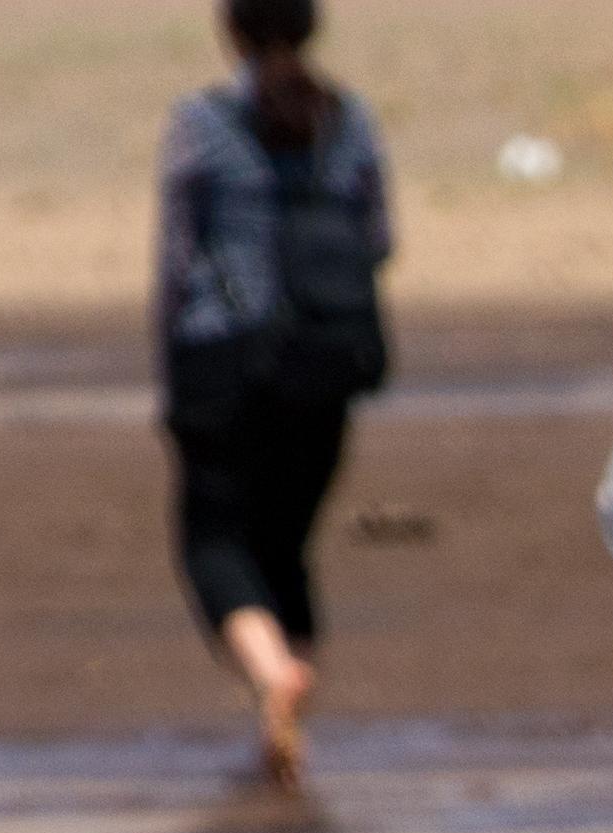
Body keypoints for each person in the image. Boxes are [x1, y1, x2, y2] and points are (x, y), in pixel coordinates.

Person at [157, 0, 392, 786]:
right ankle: (279, 728)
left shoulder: (204, 121)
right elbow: (379, 238)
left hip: (223, 357)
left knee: (214, 540)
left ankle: (270, 678)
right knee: (289, 546)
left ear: (233, 33)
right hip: (326, 359)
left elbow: (178, 255)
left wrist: (172, 366)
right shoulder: (348, 119)